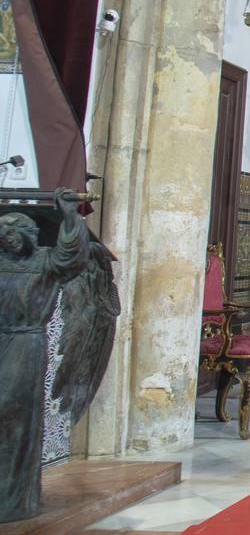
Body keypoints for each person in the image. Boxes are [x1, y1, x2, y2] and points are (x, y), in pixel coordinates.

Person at [1, 189, 92, 522]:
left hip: (25, 345)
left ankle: (16, 496)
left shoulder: (43, 261)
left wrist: (70, 215)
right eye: (4, 234)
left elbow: (72, 256)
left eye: (15, 233)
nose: (9, 239)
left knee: (12, 411)